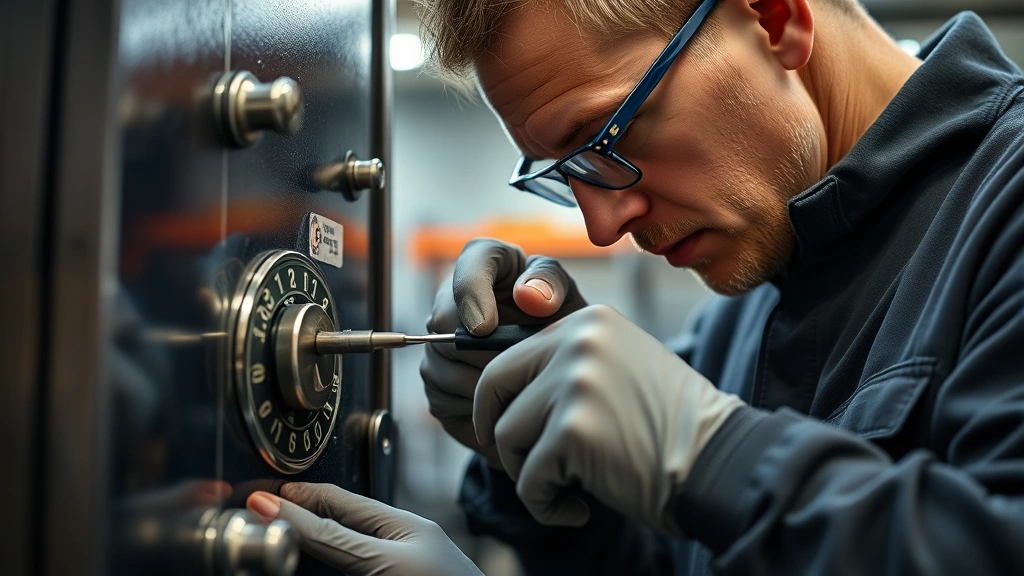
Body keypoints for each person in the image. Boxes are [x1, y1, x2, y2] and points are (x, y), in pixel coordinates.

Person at [246, 0, 1024, 573]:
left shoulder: (1004, 206)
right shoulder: (750, 302)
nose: (602, 226)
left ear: (775, 18)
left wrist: (713, 456)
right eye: (563, 177)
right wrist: (540, 449)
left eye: (608, 137)